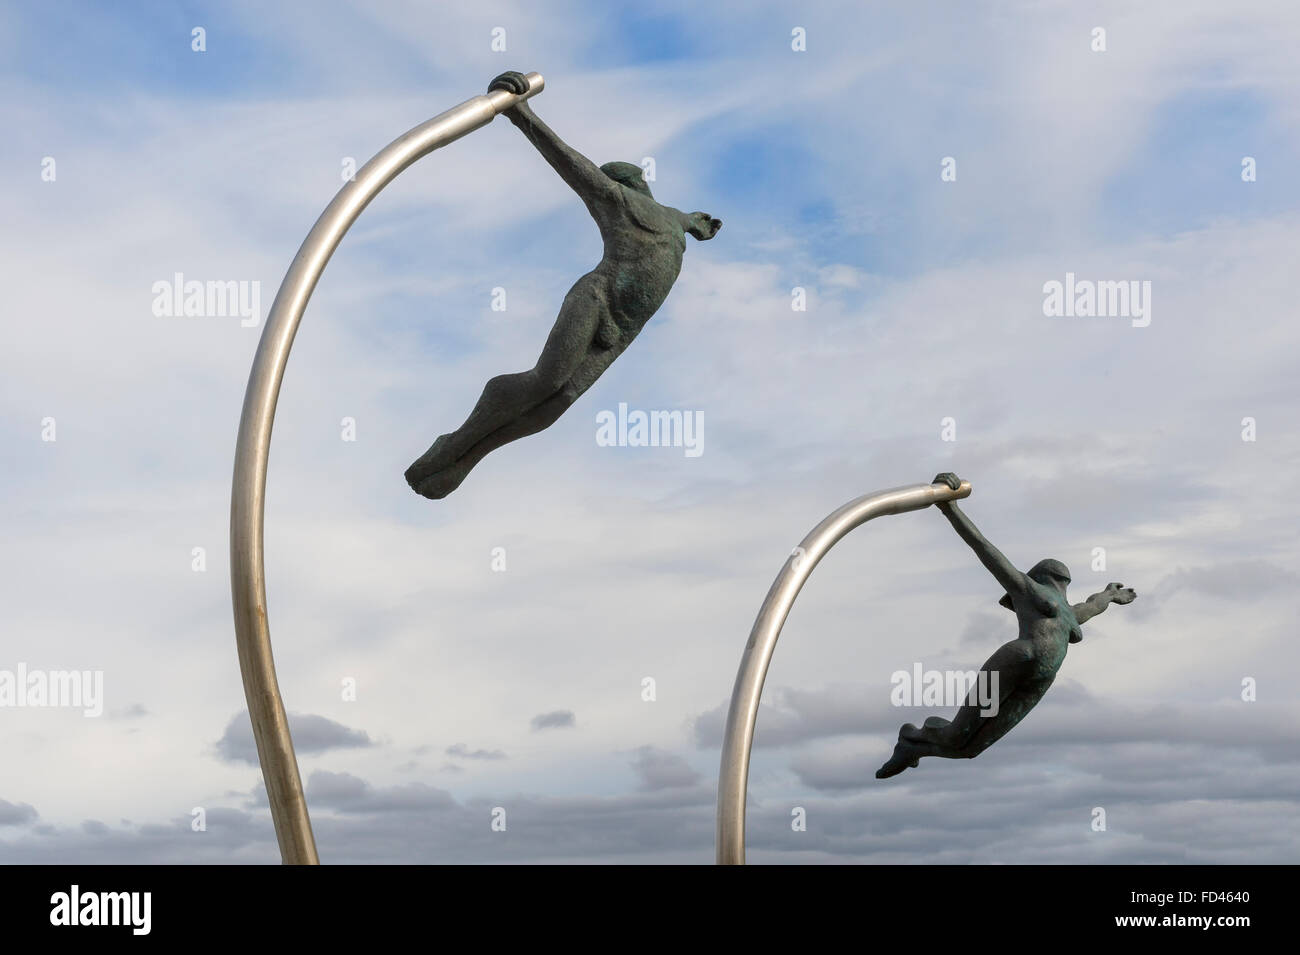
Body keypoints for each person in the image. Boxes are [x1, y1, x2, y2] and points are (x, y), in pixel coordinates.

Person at [406, 71, 721, 499]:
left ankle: (468, 458)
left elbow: (691, 219)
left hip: (623, 331)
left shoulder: (672, 217)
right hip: (597, 298)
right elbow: (568, 161)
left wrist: (703, 224)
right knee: (544, 382)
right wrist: (521, 114)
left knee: (554, 407)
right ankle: (456, 444)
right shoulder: (615, 200)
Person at [876, 472, 1137, 778]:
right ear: (1044, 575)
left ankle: (913, 747)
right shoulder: (1028, 589)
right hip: (1016, 659)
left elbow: (1093, 605)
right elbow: (983, 548)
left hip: (1039, 680)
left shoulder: (1069, 612)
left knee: (969, 749)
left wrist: (1110, 594)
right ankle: (911, 735)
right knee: (959, 734)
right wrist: (950, 507)